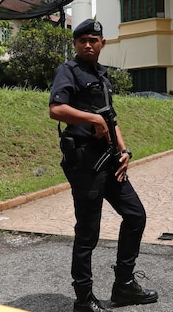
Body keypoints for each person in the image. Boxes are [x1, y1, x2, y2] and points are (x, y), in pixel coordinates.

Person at [49, 19, 158, 312]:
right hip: (85, 162)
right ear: (75, 43)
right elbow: (56, 109)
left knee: (135, 215)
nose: (88, 44)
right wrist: (92, 119)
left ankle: (124, 286)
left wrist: (124, 151)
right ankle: (83, 299)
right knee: (88, 232)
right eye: (82, 39)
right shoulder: (68, 71)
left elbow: (112, 118)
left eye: (93, 40)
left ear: (102, 43)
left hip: (110, 160)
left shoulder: (103, 76)